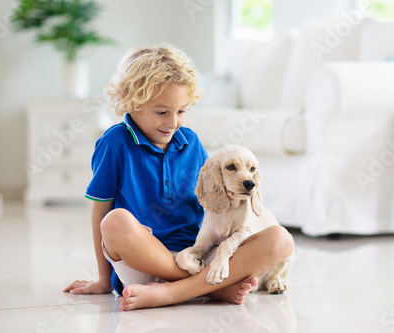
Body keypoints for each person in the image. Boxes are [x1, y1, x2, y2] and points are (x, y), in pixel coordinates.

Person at [63, 45, 294, 310]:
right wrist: (104, 281)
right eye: (162, 112)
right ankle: (205, 288)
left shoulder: (191, 142)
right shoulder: (114, 143)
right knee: (114, 222)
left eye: (181, 111)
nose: (173, 123)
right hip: (143, 260)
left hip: (196, 255)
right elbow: (100, 212)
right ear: (132, 102)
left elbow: (211, 203)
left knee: (281, 239)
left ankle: (180, 290)